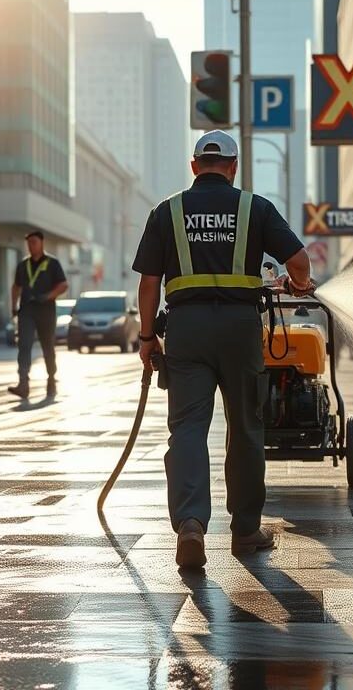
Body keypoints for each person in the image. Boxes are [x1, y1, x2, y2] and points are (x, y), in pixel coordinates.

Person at [132, 130, 315, 570]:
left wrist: (145, 337)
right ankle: (246, 530)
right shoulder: (255, 208)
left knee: (189, 428)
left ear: (194, 166)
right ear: (233, 167)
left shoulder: (168, 211)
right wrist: (298, 286)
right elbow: (300, 263)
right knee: (247, 427)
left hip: (186, 331)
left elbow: (149, 283)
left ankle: (191, 525)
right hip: (239, 330)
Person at [8, 231, 69, 400]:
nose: (31, 246)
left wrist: (48, 295)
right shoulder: (23, 265)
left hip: (46, 310)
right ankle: (23, 384)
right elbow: (16, 287)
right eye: (28, 243)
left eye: (34, 242)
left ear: (42, 243)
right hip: (27, 310)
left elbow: (63, 285)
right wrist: (13, 307)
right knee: (24, 345)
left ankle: (51, 380)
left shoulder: (52, 263)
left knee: (48, 346)